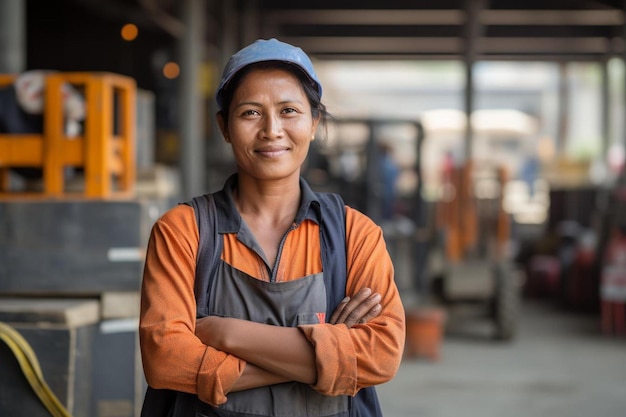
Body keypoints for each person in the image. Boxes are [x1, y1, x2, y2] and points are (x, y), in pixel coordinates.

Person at [139, 38, 406, 416]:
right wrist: (331, 354)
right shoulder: (183, 231)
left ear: (314, 123)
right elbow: (165, 360)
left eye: (289, 111)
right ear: (224, 126)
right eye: (250, 113)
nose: (271, 130)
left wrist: (224, 334)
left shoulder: (354, 234)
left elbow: (380, 357)